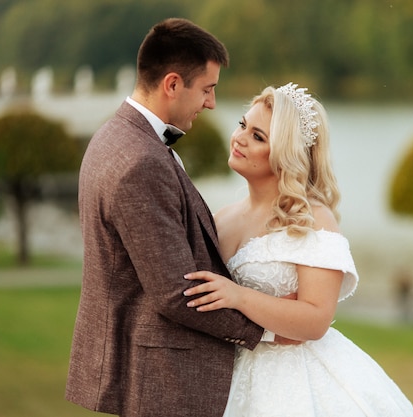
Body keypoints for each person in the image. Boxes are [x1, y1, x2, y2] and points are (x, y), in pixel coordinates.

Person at [65, 18, 268, 417]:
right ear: (173, 84)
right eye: (207, 90)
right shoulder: (141, 161)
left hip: (142, 366)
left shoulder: (114, 135)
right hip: (164, 378)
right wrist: (267, 331)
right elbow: (176, 294)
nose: (210, 103)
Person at [183, 83, 413, 416]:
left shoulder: (311, 219)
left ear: (284, 153)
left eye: (258, 137)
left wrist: (238, 296)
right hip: (231, 374)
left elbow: (315, 319)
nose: (239, 138)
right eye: (242, 125)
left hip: (296, 379)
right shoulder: (223, 218)